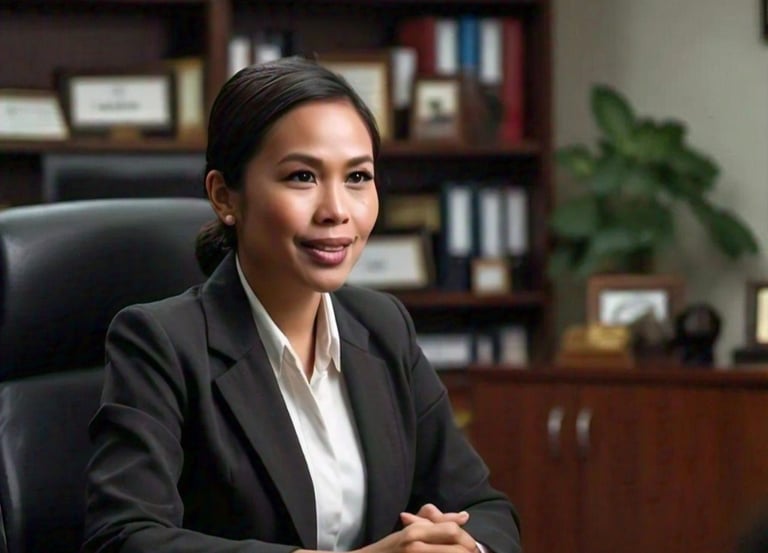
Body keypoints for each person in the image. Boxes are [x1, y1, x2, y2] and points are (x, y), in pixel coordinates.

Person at [81, 57, 521, 553]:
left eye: (357, 177)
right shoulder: (160, 343)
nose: (336, 210)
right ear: (225, 196)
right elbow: (122, 539)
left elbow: (486, 509)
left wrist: (462, 547)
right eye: (302, 177)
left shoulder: (384, 326)